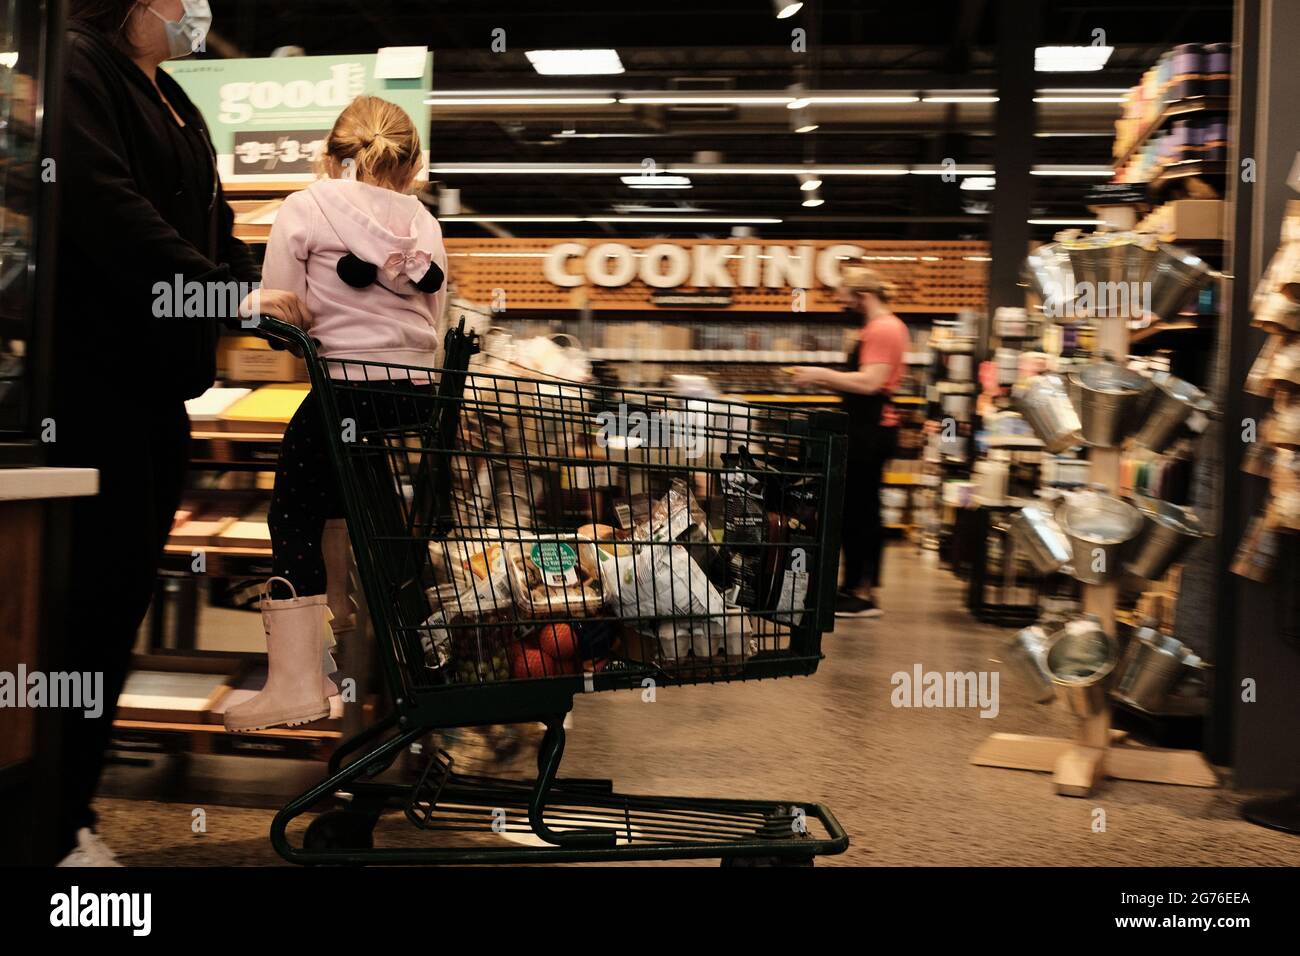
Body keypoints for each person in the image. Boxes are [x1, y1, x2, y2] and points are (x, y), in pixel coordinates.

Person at [49, 1, 310, 866]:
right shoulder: (80, 65)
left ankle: (67, 806)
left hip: (157, 394)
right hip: (89, 392)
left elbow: (213, 231)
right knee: (78, 618)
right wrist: (221, 295)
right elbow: (104, 208)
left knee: (114, 608)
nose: (203, 6)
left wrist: (276, 284)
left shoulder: (173, 98)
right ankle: (54, 825)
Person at [222, 95, 449, 732]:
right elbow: (433, 319)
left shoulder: (308, 205)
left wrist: (260, 312)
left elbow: (277, 310)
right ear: (409, 165)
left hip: (343, 386)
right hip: (409, 395)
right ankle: (364, 643)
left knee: (291, 510)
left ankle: (295, 684)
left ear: (331, 154)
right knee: (355, 501)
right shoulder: (423, 222)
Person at [790, 262, 908, 619]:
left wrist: (819, 375)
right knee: (857, 510)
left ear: (863, 296)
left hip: (871, 432)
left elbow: (871, 383)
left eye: (845, 300)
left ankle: (862, 593)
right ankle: (854, 587)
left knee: (861, 511)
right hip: (864, 428)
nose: (843, 307)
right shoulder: (878, 327)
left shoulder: (884, 328)